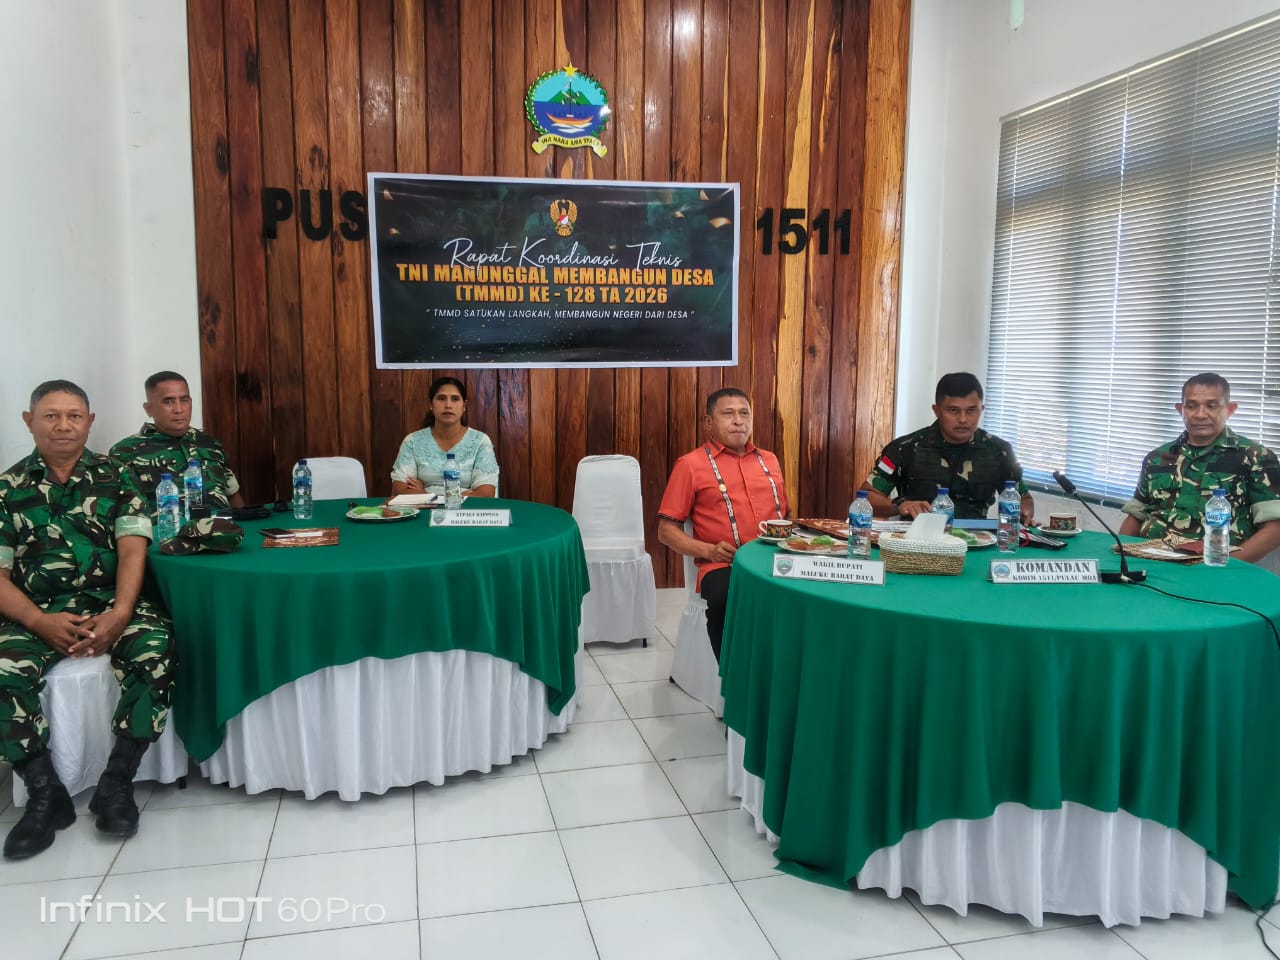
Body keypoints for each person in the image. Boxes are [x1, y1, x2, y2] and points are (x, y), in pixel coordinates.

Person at [0, 380, 177, 860]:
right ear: (29, 421)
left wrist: (121, 613)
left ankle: (116, 784)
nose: (63, 425)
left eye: (74, 416)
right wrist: (39, 621)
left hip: (109, 600)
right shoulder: (6, 490)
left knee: (156, 651)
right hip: (36, 608)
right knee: (2, 670)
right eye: (51, 415)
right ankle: (44, 794)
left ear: (89, 422)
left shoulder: (117, 476)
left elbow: (133, 548)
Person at [657, 388, 788, 662]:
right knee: (725, 598)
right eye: (728, 414)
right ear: (708, 422)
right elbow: (666, 531)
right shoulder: (690, 465)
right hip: (724, 564)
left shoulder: (769, 460)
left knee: (811, 592)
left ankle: (789, 667)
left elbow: (785, 513)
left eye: (744, 414)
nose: (738, 421)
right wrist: (709, 551)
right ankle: (734, 674)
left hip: (774, 557)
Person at [1119, 372, 1280, 563]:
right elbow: (1136, 516)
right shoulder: (1157, 457)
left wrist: (1229, 566)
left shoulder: (1255, 457)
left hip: (1215, 566)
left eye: (1211, 406)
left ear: (1229, 409)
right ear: (1180, 409)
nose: (1200, 414)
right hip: (1152, 559)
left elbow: (1274, 528)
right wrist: (1121, 558)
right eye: (1191, 406)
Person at [862, 372, 1034, 523]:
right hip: (918, 540)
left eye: (971, 410)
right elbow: (867, 497)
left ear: (982, 409)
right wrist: (901, 506)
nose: (963, 419)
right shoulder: (905, 449)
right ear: (936, 410)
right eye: (953, 410)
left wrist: (1024, 513)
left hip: (976, 540)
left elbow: (1023, 498)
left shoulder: (999, 451)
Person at [110, 370, 244, 509]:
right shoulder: (125, 452)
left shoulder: (209, 444)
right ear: (149, 409)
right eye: (168, 401)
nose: (179, 409)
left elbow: (233, 496)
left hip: (221, 522)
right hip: (167, 523)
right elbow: (121, 511)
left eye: (184, 400)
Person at [390, 376, 499, 497]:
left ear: (464, 405)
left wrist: (424, 494)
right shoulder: (412, 441)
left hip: (465, 509)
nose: (448, 405)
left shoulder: (480, 441)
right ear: (431, 404)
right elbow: (399, 490)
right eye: (441, 398)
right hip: (424, 508)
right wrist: (461, 495)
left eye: (455, 399)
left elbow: (485, 494)